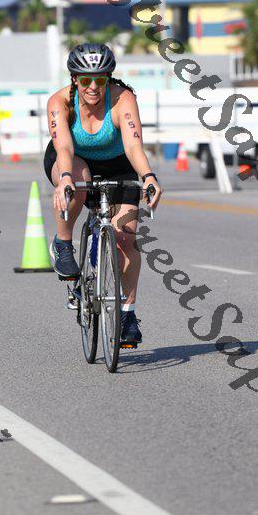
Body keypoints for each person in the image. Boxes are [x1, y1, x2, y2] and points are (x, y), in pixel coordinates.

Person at [43, 43, 162, 345]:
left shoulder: (123, 99)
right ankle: (63, 244)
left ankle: (128, 314)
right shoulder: (60, 102)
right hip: (73, 160)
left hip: (118, 164)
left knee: (126, 238)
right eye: (86, 80)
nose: (93, 87)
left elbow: (133, 145)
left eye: (100, 79)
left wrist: (148, 176)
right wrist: (64, 178)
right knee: (77, 179)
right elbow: (64, 147)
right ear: (75, 79)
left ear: (108, 78)